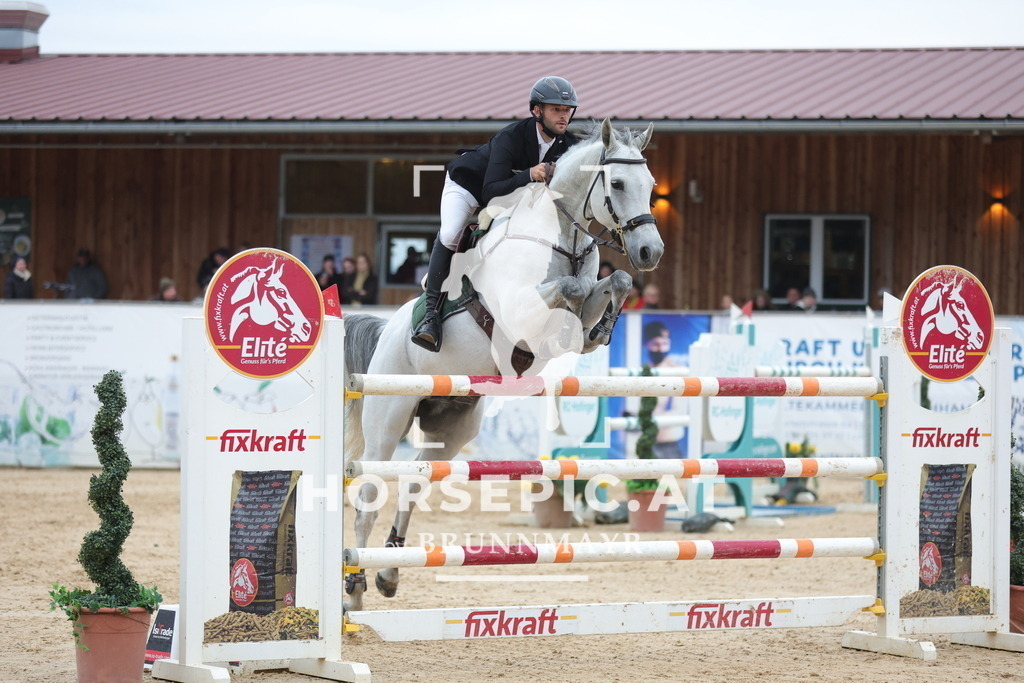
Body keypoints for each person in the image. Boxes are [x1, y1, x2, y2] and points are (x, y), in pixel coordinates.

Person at [412, 76, 580, 352]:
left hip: (512, 195)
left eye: (566, 110)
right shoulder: (511, 138)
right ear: (537, 110)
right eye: (555, 109)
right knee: (452, 232)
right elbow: (490, 193)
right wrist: (530, 174)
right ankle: (430, 316)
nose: (563, 116)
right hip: (469, 186)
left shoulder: (568, 145)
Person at [642, 321, 685, 459]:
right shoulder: (642, 370)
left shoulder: (678, 371)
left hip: (669, 443)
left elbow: (680, 411)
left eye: (665, 344)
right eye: (656, 344)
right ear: (646, 344)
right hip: (645, 441)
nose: (661, 349)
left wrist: (649, 421)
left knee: (673, 480)